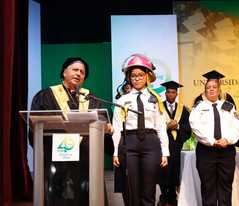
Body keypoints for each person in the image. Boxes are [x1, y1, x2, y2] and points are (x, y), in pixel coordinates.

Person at [30, 57, 113, 206]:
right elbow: (36, 124)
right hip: (58, 157)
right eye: (75, 70)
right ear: (64, 72)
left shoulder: (90, 98)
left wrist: (106, 126)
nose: (79, 74)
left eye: (82, 72)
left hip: (85, 159)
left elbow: (101, 120)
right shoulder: (46, 96)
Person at [112, 54, 169, 206]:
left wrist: (165, 152)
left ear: (147, 76)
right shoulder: (122, 100)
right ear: (129, 78)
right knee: (132, 188)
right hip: (129, 143)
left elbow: (161, 127)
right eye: (133, 76)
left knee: (149, 188)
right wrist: (116, 152)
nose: (137, 78)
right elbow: (117, 127)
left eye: (140, 75)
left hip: (151, 144)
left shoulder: (155, 98)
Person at [189, 78, 239, 206]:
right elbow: (195, 127)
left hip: (226, 151)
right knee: (208, 187)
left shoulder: (229, 106)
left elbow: (237, 127)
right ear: (205, 91)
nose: (211, 89)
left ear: (219, 90)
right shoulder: (198, 107)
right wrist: (212, 141)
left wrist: (227, 140)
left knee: (226, 186)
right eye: (208, 87)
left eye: (214, 87)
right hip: (206, 151)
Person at [158, 81, 191, 206]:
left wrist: (177, 126)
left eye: (173, 92)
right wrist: (166, 127)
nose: (170, 94)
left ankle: (172, 195)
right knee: (163, 170)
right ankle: (163, 195)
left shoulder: (183, 109)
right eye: (168, 92)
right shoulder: (158, 108)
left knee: (175, 171)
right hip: (162, 145)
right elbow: (154, 125)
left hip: (177, 145)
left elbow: (188, 128)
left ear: (176, 94)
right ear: (165, 93)